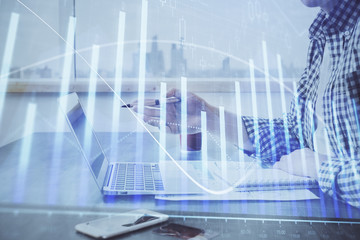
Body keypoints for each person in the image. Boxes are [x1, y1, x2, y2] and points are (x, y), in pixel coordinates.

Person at [133, 0, 360, 208]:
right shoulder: (324, 34)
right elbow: (294, 139)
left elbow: (307, 161)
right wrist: (207, 116)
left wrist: (320, 169)